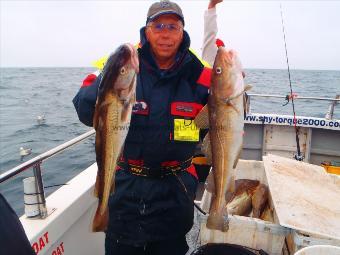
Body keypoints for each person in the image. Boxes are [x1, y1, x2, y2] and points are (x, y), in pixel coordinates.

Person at [72, 1, 212, 254]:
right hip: (126, 189)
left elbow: (218, 120)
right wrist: (108, 78)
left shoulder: (200, 74)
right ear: (146, 31)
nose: (165, 33)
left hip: (175, 190)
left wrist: (233, 94)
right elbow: (84, 111)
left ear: (182, 32)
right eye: (158, 26)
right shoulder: (123, 65)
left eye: (173, 26)